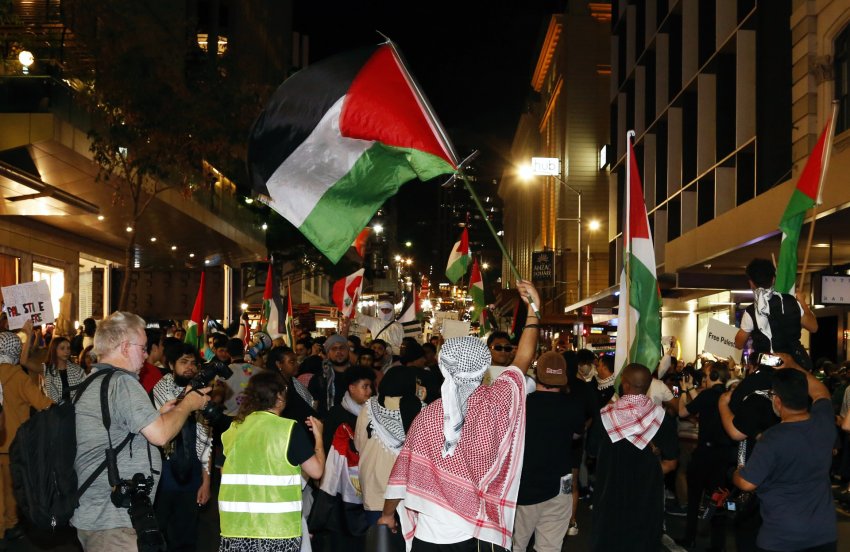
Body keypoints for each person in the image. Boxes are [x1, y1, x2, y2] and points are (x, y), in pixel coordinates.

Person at [379, 280, 541, 551]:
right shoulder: (497, 402)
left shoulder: (428, 416)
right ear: (485, 366)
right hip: (478, 534)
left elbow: (401, 476)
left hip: (431, 538)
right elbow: (524, 356)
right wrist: (534, 308)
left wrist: (386, 514)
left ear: (443, 367)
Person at [71, 311, 210, 551]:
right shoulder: (122, 382)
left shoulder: (92, 380)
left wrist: (163, 415)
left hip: (98, 512)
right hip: (112, 518)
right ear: (125, 347)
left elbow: (121, 431)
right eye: (143, 348)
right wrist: (188, 404)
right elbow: (161, 435)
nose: (146, 356)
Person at [733, 358, 837, 552]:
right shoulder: (824, 422)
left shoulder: (772, 438)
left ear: (777, 400)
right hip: (823, 534)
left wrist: (737, 473)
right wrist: (792, 364)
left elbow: (747, 483)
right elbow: (820, 391)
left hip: (781, 537)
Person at [219, 371, 325, 551]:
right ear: (279, 396)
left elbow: (224, 472)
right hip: (277, 529)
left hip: (235, 526)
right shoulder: (288, 429)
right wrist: (319, 437)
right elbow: (316, 471)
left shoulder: (234, 428)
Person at [589, 363, 679, 552]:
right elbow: (671, 462)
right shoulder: (661, 418)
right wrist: (650, 472)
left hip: (609, 493)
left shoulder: (605, 415)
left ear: (625, 384)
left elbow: (591, 451)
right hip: (647, 494)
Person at [512, 352, 585, 552]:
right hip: (560, 487)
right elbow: (577, 436)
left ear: (537, 374)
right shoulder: (573, 406)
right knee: (550, 547)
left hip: (525, 488)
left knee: (516, 545)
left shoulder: (522, 404)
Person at [151, 342, 212, 552]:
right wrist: (189, 397)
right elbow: (168, 418)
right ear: (170, 365)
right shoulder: (161, 389)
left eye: (194, 363)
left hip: (192, 473)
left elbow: (206, 439)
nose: (190, 368)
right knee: (158, 533)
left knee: (186, 535)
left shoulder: (200, 395)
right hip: (164, 474)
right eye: (183, 362)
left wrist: (206, 481)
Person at [0, 331, 54, 542]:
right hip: (14, 445)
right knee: (12, 489)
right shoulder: (18, 377)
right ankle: (10, 525)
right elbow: (43, 404)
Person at [676, 363, 735, 549]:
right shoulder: (729, 396)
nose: (704, 377)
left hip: (704, 455)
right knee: (718, 500)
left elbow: (683, 412)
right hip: (723, 457)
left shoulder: (708, 395)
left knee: (694, 499)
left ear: (714, 375)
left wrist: (684, 392)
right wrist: (692, 390)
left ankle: (690, 537)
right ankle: (718, 545)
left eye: (707, 374)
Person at [354, 365, 423, 525]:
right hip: (409, 491)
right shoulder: (422, 409)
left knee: (380, 542)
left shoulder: (369, 408)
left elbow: (358, 444)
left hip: (375, 489)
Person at [734, 258, 818, 369]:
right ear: (773, 279)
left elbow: (739, 344)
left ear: (751, 283)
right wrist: (802, 302)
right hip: (796, 365)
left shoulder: (751, 312)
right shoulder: (791, 302)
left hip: (768, 367)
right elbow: (813, 327)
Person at [42, 335, 87, 402]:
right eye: (62, 348)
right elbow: (24, 362)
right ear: (54, 350)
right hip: (55, 409)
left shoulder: (77, 370)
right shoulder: (47, 369)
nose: (66, 351)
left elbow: (85, 390)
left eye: (68, 348)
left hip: (76, 408)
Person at [139, 328, 166, 393]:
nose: (163, 348)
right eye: (162, 345)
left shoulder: (138, 368)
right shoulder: (153, 372)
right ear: (154, 347)